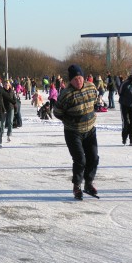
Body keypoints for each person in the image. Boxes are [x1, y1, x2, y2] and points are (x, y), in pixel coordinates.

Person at [53, 64, 99, 200]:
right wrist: (69, 120)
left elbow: (95, 100)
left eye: (80, 78)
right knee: (80, 159)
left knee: (94, 157)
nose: (78, 81)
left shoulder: (91, 87)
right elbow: (57, 112)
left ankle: (89, 183)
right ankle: (77, 186)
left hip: (90, 129)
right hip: (73, 132)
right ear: (70, 81)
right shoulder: (66, 94)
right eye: (75, 79)